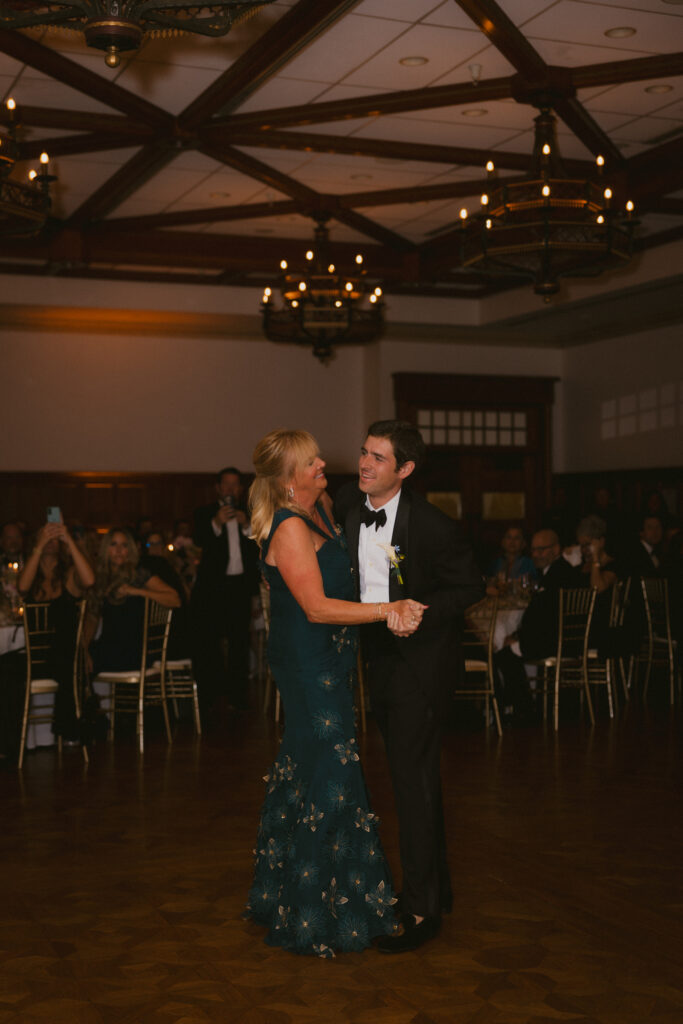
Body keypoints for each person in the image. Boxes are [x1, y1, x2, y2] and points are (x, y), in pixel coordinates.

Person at [244, 429, 426, 958]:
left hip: (331, 657)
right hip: (308, 662)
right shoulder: (289, 527)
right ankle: (315, 910)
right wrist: (389, 611)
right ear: (288, 479)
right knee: (332, 769)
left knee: (314, 767)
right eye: (310, 461)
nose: (323, 463)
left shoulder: (324, 505)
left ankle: (303, 895)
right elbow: (317, 607)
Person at [335, 420, 485, 953]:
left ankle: (422, 910)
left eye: (378, 457)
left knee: (412, 784)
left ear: (405, 469)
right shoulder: (348, 508)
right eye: (364, 452)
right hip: (374, 659)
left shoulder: (433, 525)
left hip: (418, 667)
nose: (365, 463)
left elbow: (470, 586)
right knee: (412, 781)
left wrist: (418, 610)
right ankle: (436, 889)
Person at [17, 521, 95, 741]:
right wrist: (39, 545)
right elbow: (22, 588)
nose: (51, 540)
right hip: (34, 656)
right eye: (46, 535)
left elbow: (89, 580)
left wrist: (68, 538)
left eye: (55, 537)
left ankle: (68, 726)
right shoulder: (31, 575)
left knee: (68, 657)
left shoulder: (69, 575)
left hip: (64, 655)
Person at [191, 467, 260, 714]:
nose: (231, 489)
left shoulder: (250, 514)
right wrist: (217, 522)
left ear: (240, 489)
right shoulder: (205, 513)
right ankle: (210, 695)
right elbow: (199, 540)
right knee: (209, 642)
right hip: (212, 590)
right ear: (218, 488)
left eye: (235, 484)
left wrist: (247, 526)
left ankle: (238, 697)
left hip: (240, 588)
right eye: (226, 484)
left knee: (239, 642)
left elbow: (259, 547)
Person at [494, 528, 576, 721]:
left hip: (554, 641)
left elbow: (543, 618)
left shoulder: (557, 574)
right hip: (563, 638)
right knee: (507, 651)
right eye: (534, 550)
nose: (536, 555)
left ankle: (522, 710)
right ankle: (521, 708)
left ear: (556, 549)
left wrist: (518, 637)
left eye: (541, 550)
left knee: (502, 655)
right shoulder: (558, 571)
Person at [85, 528, 181, 675]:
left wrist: (136, 591)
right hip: (109, 646)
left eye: (124, 545)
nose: (118, 550)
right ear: (105, 549)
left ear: (129, 550)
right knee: (77, 659)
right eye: (113, 544)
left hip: (135, 649)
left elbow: (175, 600)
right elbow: (92, 617)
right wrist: (84, 648)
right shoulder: (100, 578)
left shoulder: (138, 574)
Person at [486, 525, 535, 594]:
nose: (512, 541)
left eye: (517, 538)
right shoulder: (495, 563)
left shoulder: (530, 563)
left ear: (524, 543)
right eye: (509, 537)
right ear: (503, 542)